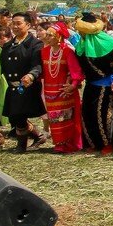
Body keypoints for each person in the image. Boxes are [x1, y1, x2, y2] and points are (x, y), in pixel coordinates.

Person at [1, 12, 46, 152]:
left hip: (27, 86)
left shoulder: (35, 44)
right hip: (12, 86)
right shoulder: (8, 45)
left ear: (28, 25)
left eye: (18, 23)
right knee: (14, 117)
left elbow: (37, 65)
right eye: (13, 23)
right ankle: (38, 135)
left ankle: (21, 145)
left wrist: (31, 76)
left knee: (19, 115)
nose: (15, 26)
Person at [39, 21, 84, 153]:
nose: (47, 37)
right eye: (46, 35)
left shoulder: (68, 52)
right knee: (54, 118)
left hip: (65, 91)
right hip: (49, 91)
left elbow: (76, 72)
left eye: (50, 35)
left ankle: (69, 144)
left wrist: (73, 85)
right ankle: (58, 143)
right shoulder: (44, 52)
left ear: (59, 37)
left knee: (66, 118)